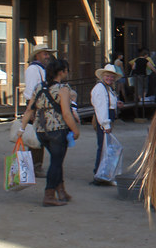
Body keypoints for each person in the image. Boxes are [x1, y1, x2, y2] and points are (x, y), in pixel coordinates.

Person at [18, 58, 81, 207]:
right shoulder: (63, 89)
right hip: (58, 129)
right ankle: (50, 194)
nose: (67, 73)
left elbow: (29, 110)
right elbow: (66, 113)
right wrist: (75, 130)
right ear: (61, 72)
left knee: (55, 160)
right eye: (66, 70)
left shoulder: (39, 87)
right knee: (56, 163)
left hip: (41, 129)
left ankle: (61, 191)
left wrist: (22, 128)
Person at [24, 43, 56, 177]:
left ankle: (36, 165)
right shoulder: (33, 69)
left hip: (39, 104)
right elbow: (31, 90)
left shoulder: (41, 69)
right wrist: (31, 110)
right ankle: (34, 166)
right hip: (35, 105)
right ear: (38, 55)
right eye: (45, 54)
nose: (47, 56)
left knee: (39, 135)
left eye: (47, 54)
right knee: (35, 136)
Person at [90, 63, 123, 184]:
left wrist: (116, 103)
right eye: (108, 76)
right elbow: (101, 108)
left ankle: (103, 173)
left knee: (106, 147)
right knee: (103, 147)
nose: (110, 78)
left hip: (107, 119)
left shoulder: (107, 88)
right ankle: (99, 174)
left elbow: (108, 103)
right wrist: (106, 125)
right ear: (103, 76)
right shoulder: (100, 89)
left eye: (112, 77)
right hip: (103, 120)